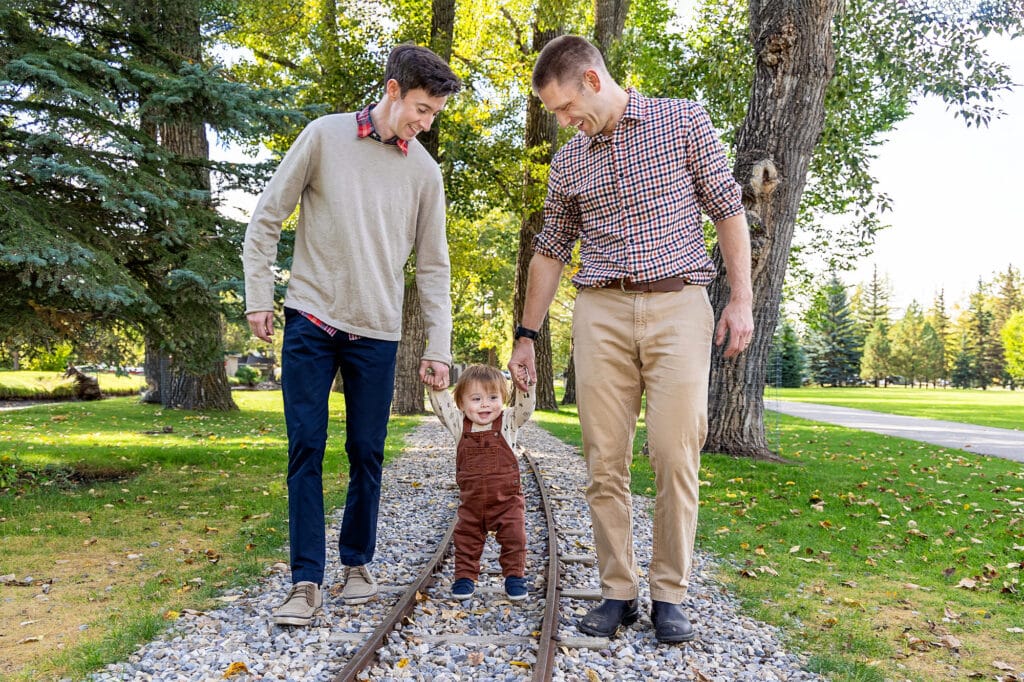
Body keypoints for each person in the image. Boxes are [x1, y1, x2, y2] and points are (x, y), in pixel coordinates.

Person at [508, 35, 753, 644]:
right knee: (603, 460)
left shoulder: (682, 120)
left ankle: (669, 592)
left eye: (565, 108)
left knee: (674, 452)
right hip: (601, 313)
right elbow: (550, 253)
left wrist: (742, 299)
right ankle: (617, 590)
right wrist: (525, 334)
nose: (564, 122)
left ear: (593, 80)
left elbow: (727, 210)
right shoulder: (571, 160)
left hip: (678, 307)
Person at [242, 44, 461, 627]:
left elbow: (434, 267)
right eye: (420, 109)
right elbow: (267, 217)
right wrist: (258, 298)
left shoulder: (424, 172)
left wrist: (439, 346)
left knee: (366, 452)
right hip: (311, 318)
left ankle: (357, 564)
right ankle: (305, 582)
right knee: (305, 447)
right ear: (392, 90)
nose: (425, 122)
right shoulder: (323, 136)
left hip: (378, 330)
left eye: (434, 114)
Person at [428, 365, 535, 601]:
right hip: (472, 502)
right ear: (462, 404)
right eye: (476, 399)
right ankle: (465, 577)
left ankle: (515, 576)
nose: (485, 404)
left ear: (504, 399)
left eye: (493, 397)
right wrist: (435, 388)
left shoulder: (508, 421)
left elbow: (525, 410)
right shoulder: (460, 424)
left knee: (515, 537)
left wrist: (526, 387)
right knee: (466, 539)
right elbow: (442, 409)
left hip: (507, 501)